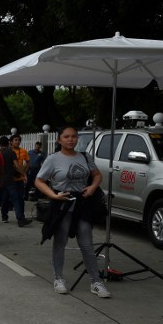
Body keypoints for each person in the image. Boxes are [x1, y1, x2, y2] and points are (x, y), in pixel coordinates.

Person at [35, 125, 111, 298]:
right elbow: (39, 181)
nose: (71, 139)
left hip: (83, 205)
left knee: (86, 244)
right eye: (67, 136)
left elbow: (97, 175)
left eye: (74, 136)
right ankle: (58, 278)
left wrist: (92, 187)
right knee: (60, 242)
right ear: (59, 139)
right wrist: (53, 195)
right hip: (63, 205)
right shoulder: (53, 159)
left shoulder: (85, 156)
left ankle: (96, 281)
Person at [9, 134, 31, 226]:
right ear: (11, 142)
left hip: (20, 177)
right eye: (15, 140)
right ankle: (19, 218)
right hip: (11, 178)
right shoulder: (9, 151)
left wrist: (24, 172)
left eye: (18, 140)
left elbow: (28, 162)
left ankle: (22, 217)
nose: (17, 142)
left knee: (20, 199)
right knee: (15, 198)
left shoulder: (23, 151)